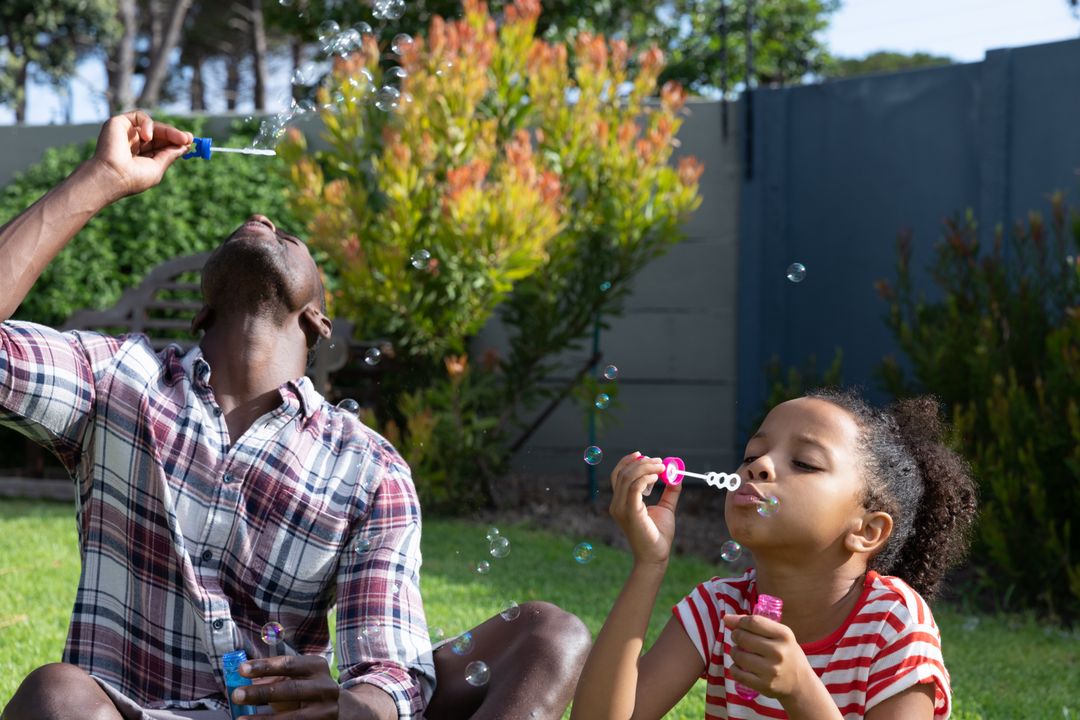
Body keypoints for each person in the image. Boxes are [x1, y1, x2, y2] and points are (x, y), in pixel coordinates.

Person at [0, 111, 590, 720]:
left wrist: (348, 707)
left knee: (549, 633)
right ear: (203, 313)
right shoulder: (119, 380)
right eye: (246, 228)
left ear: (317, 320)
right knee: (56, 694)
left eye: (289, 235)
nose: (262, 220)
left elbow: (390, 669)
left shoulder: (367, 467)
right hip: (130, 710)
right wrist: (97, 179)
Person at [570, 389, 978, 719]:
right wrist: (649, 563)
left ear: (867, 530)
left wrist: (800, 690)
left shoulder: (893, 622)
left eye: (803, 462)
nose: (758, 466)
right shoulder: (720, 609)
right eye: (751, 456)